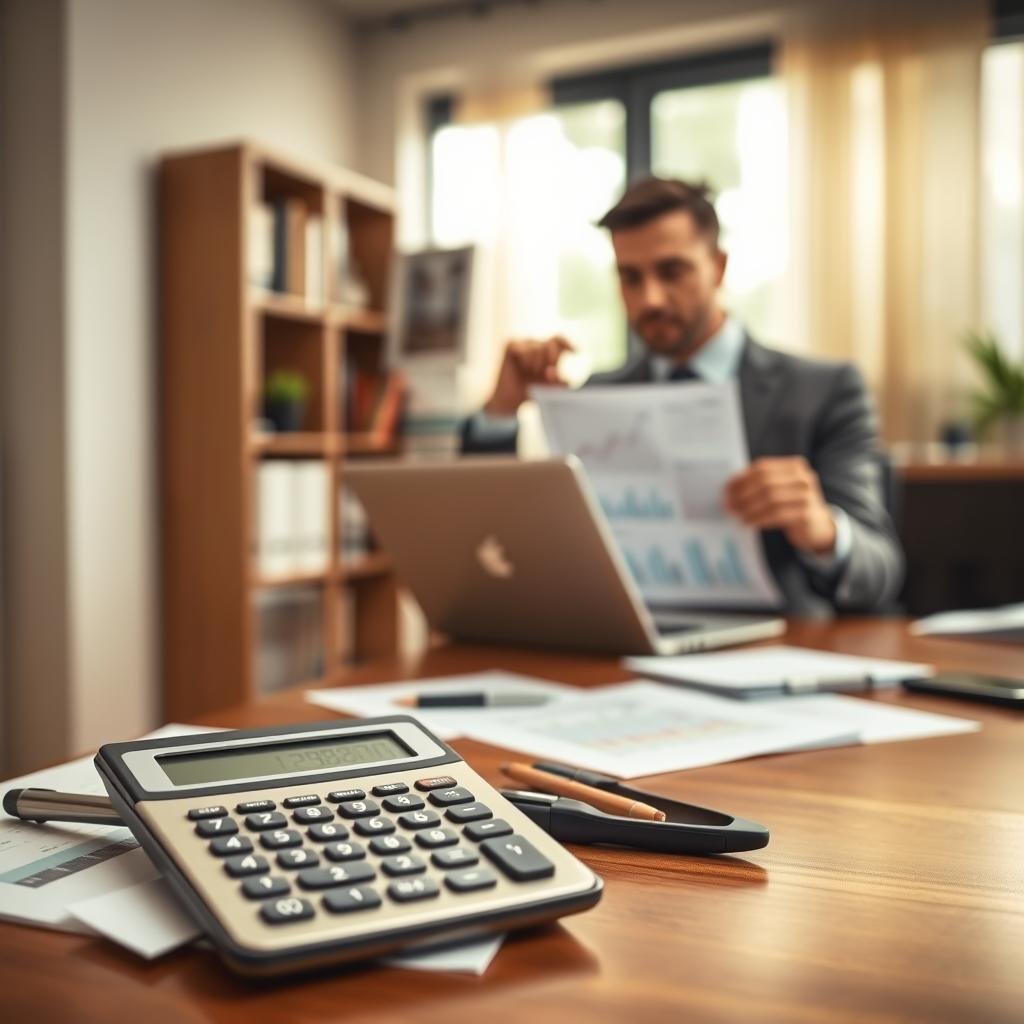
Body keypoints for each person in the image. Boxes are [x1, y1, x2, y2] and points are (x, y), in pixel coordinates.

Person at [460, 178, 903, 615]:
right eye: (630, 278)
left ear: (719, 267)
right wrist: (501, 411)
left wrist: (820, 528)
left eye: (672, 272)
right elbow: (485, 541)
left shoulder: (825, 390)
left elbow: (880, 570)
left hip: (775, 647)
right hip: (623, 648)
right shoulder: (598, 396)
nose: (649, 299)